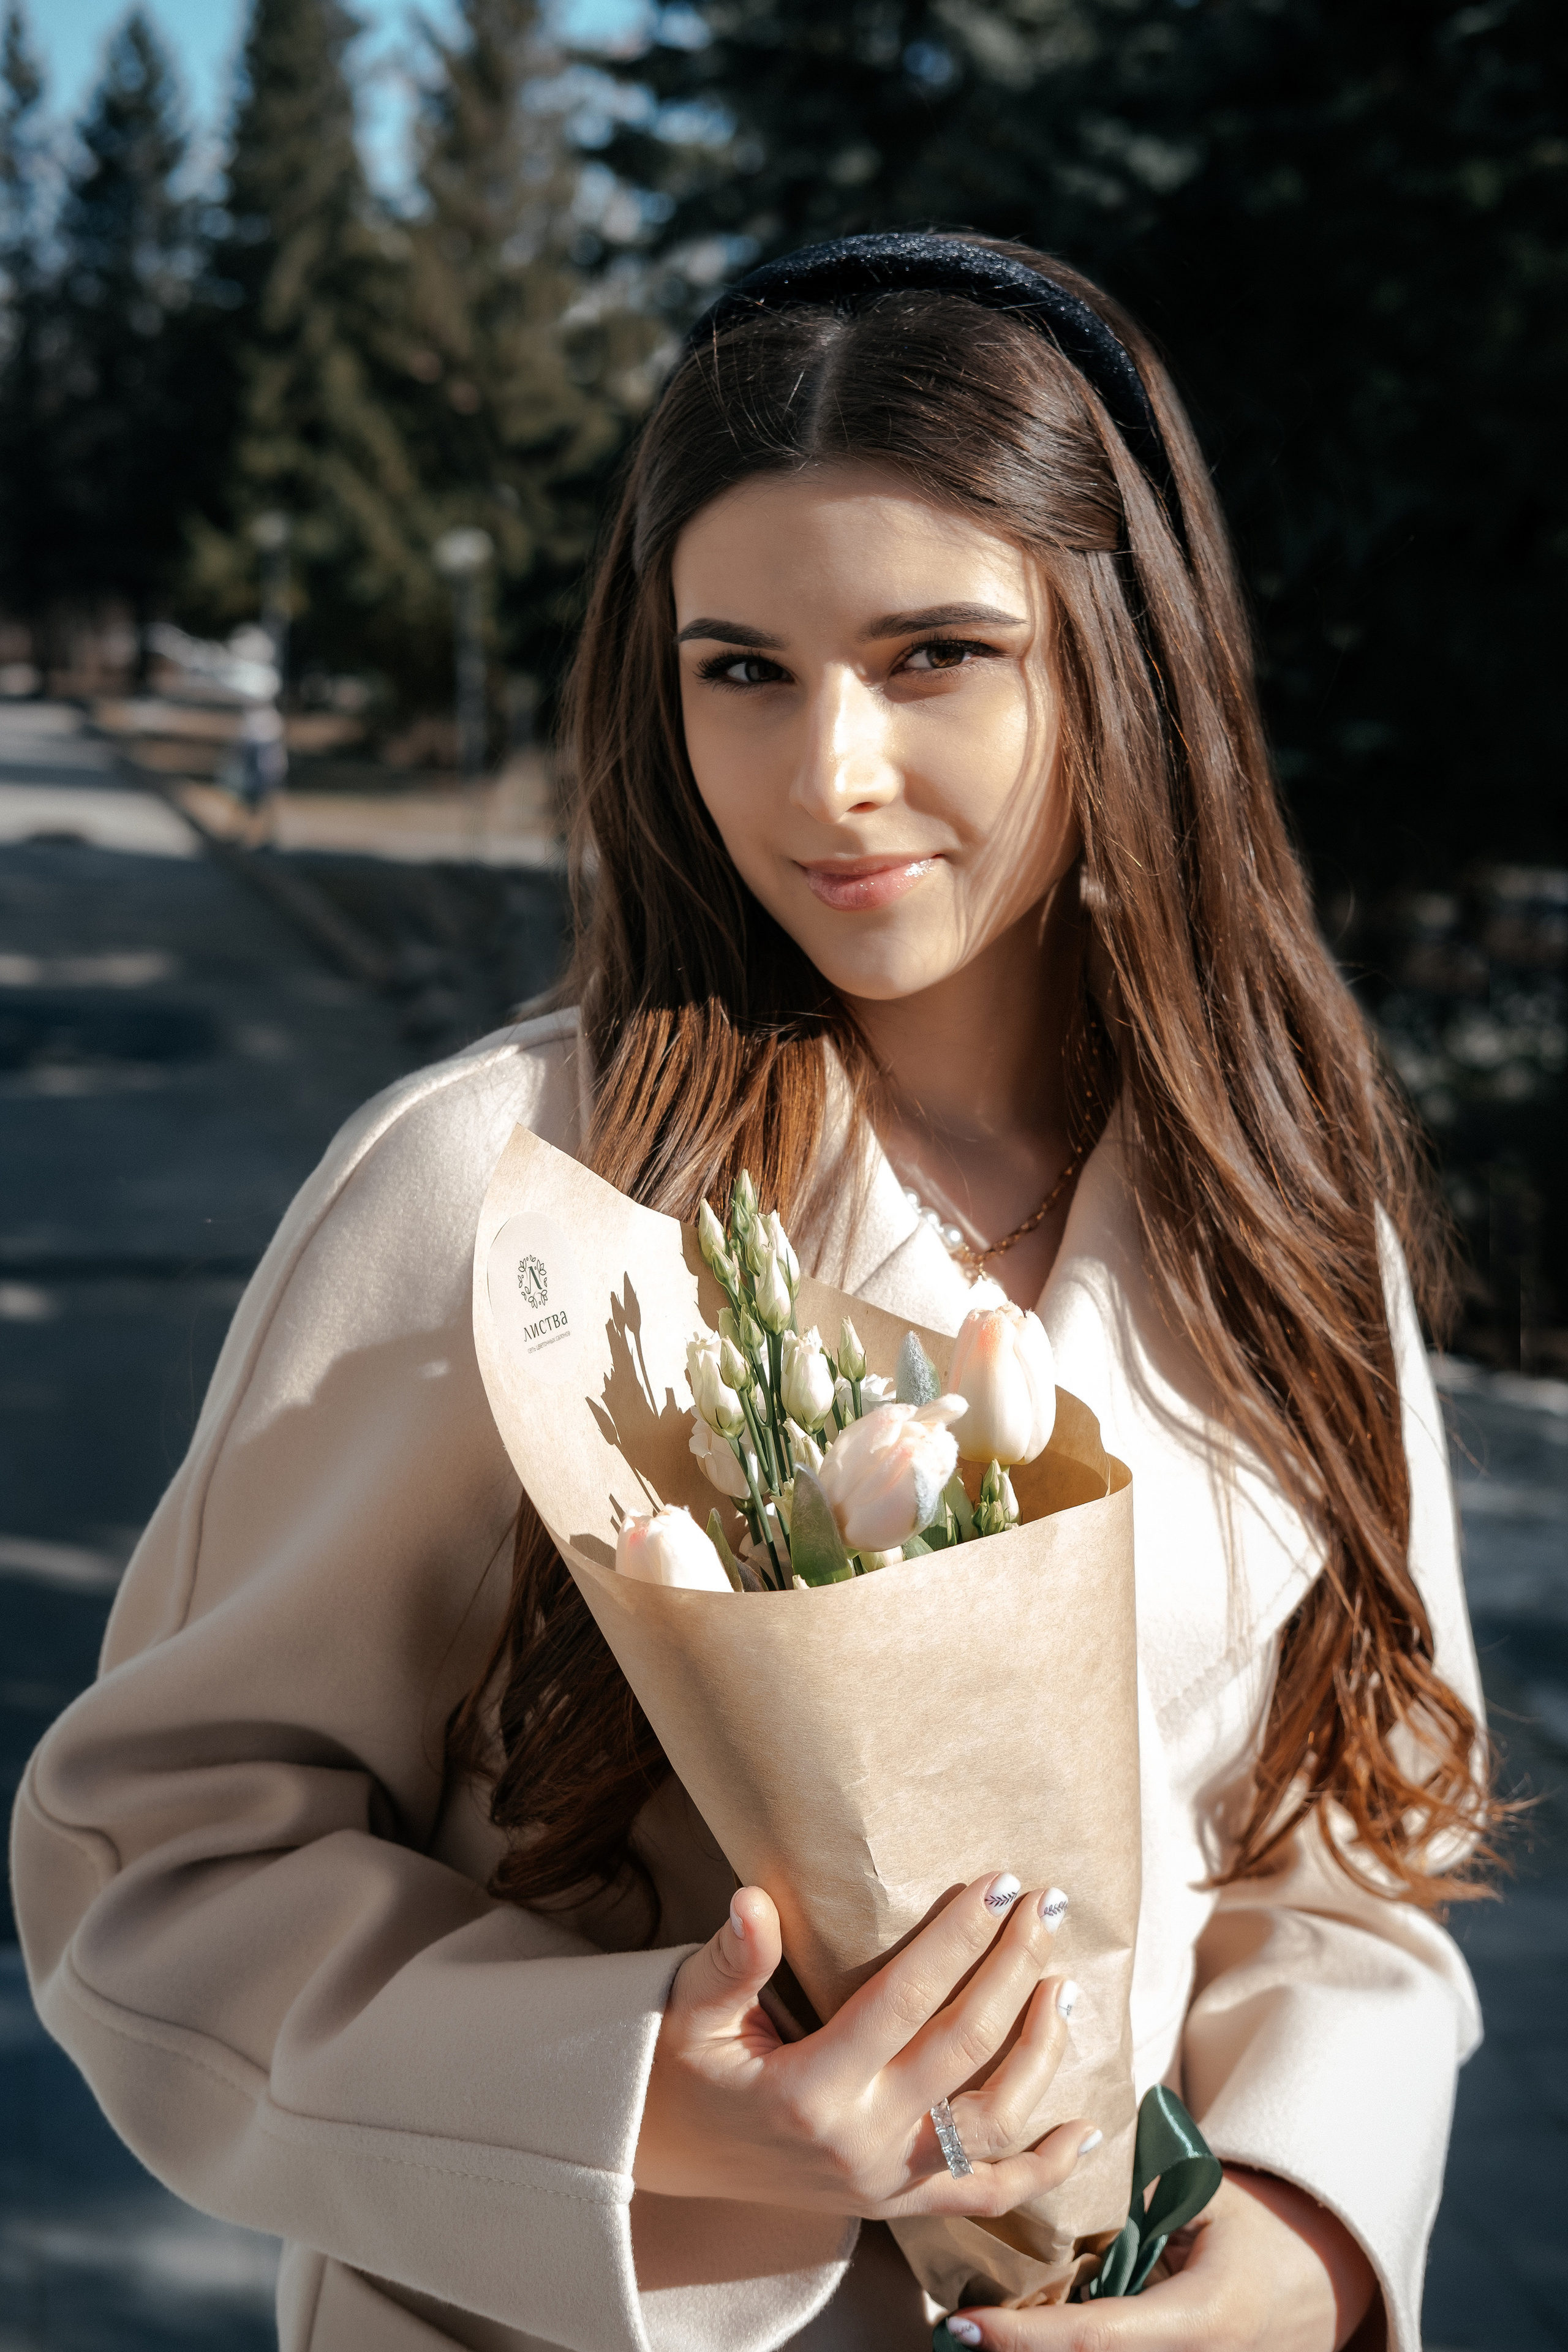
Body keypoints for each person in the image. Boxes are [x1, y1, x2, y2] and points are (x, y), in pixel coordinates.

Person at [12, 233, 1498, 2352]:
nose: (829, 777)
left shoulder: (1283, 1206)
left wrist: (1299, 2238)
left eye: (935, 655)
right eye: (744, 671)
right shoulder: (507, 1191)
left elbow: (1346, 1860)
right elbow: (154, 1878)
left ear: (1125, 666)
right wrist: (654, 2108)